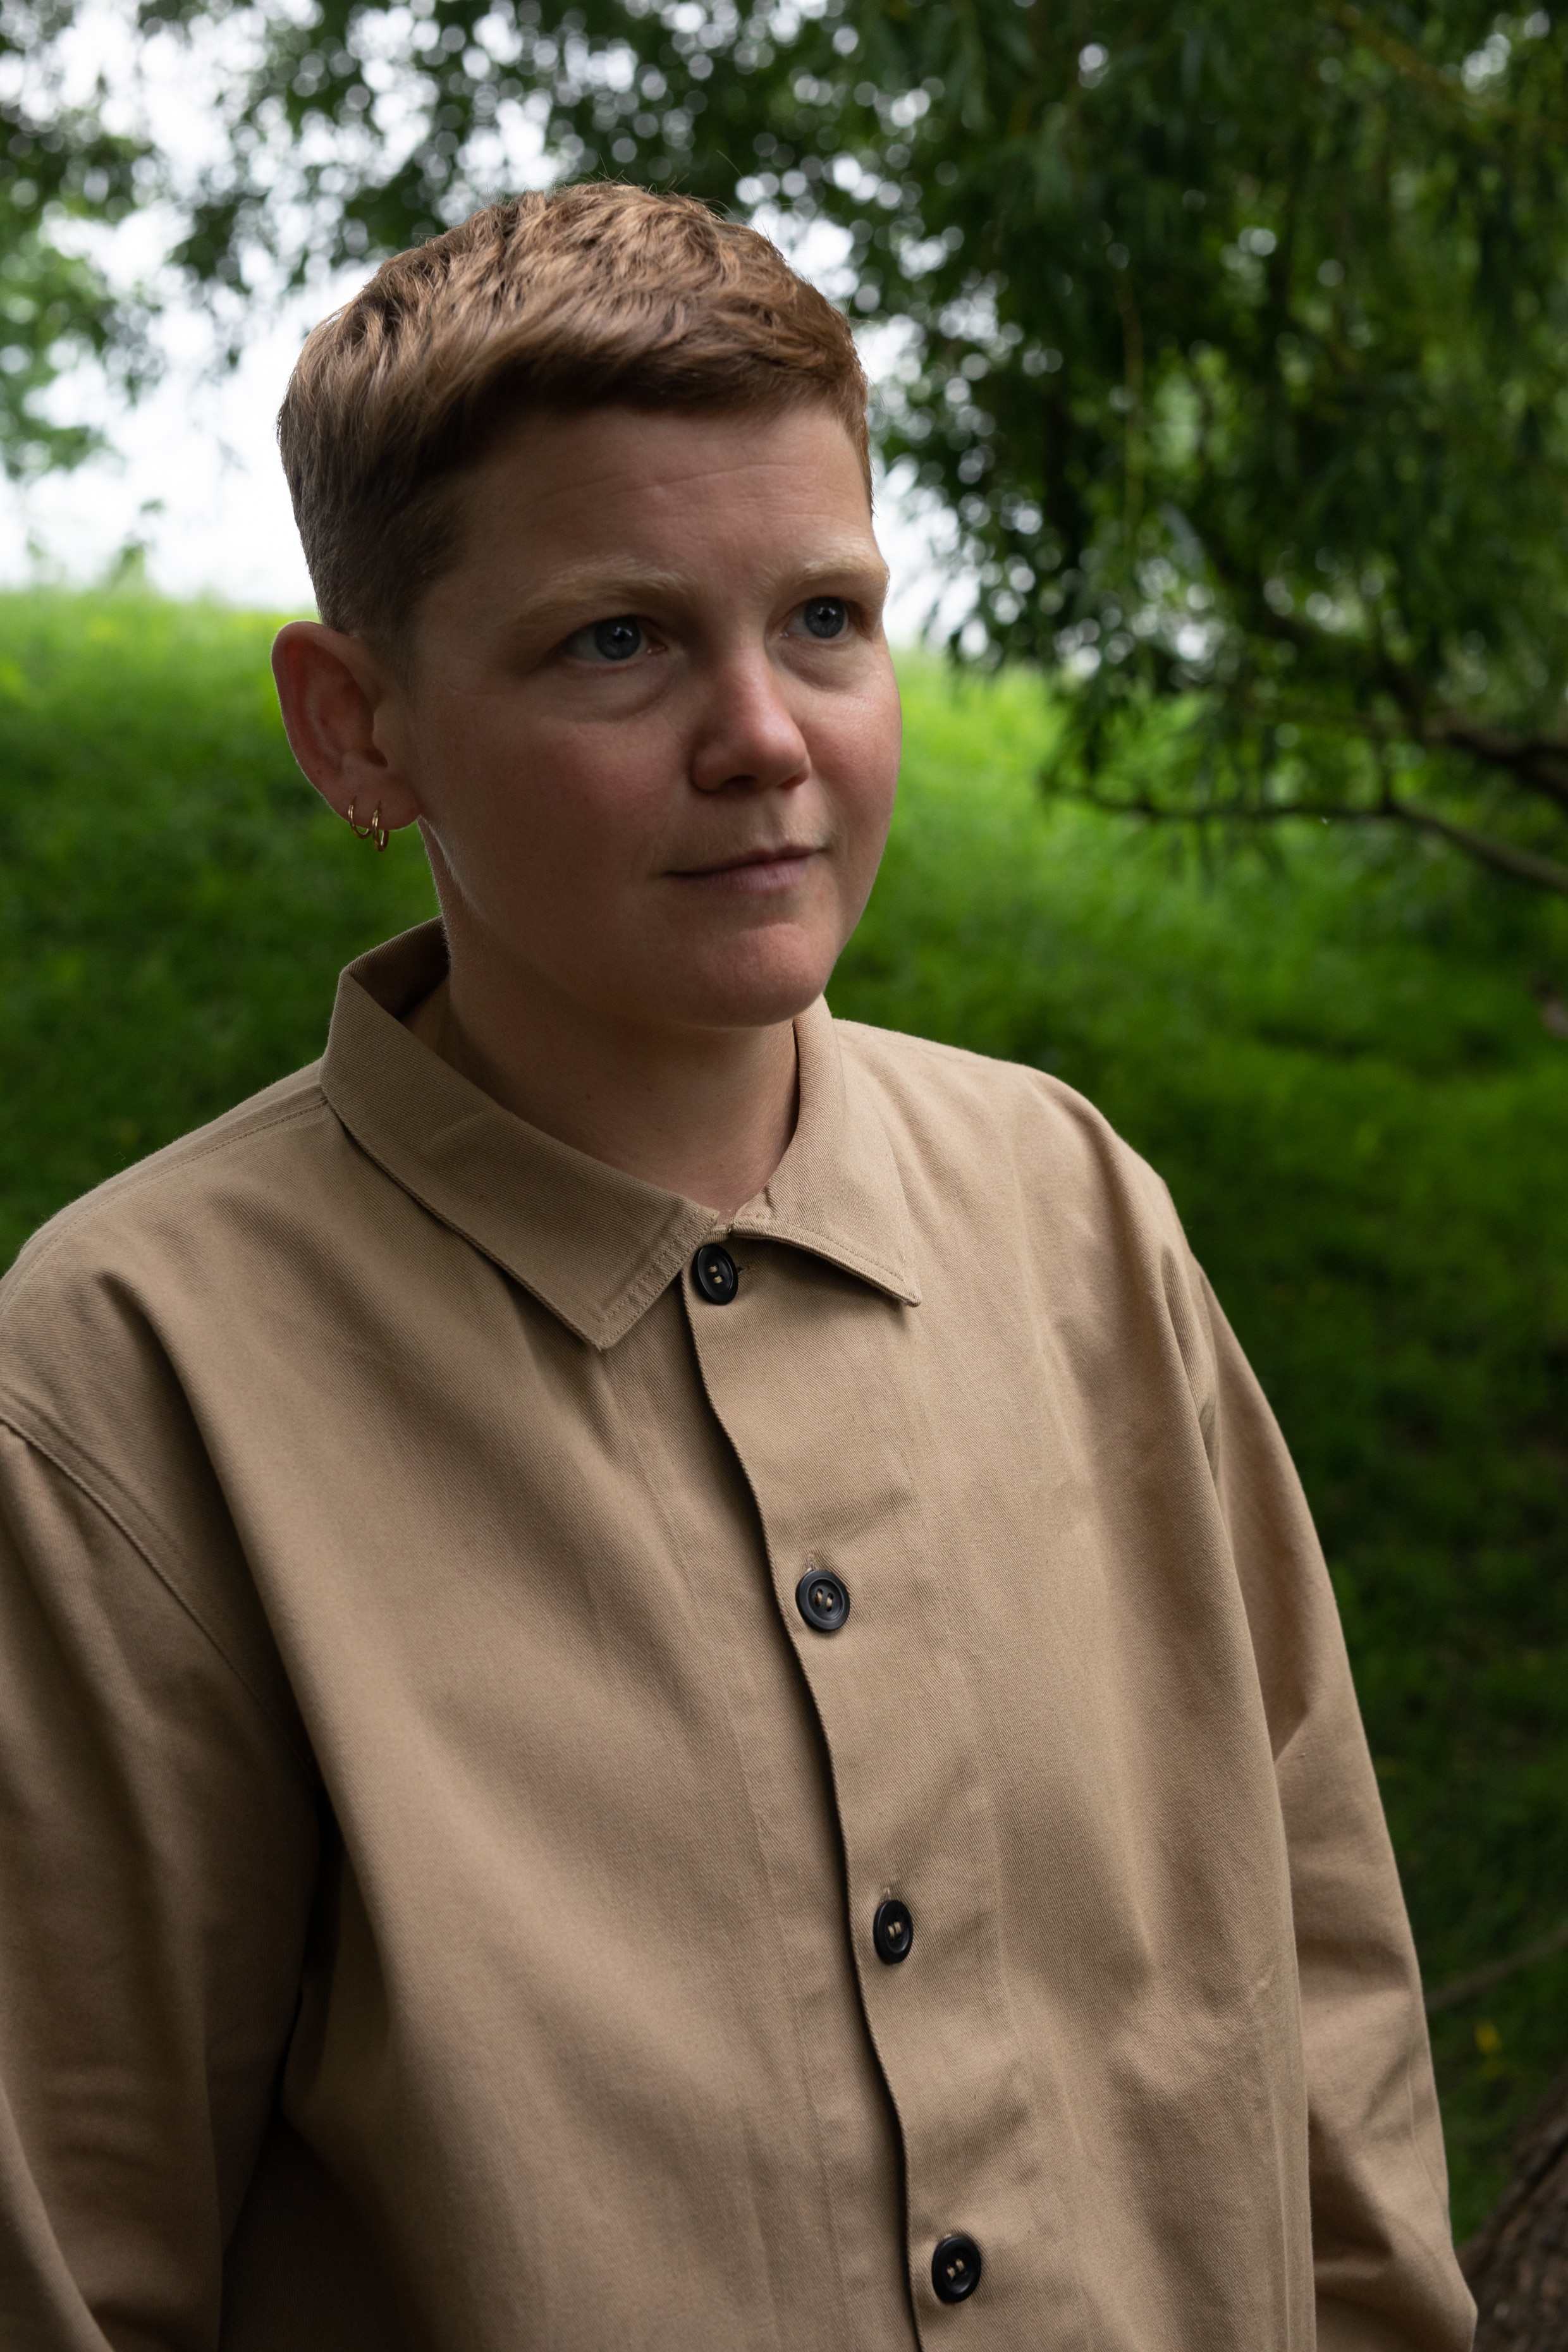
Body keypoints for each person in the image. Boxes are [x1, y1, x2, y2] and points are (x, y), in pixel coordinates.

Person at [0, 183, 1474, 2352]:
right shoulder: (125, 1389)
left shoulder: (1078, 1214)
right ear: (358, 729)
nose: (763, 737)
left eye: (824, 620)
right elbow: (71, 2261)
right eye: (617, 640)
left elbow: (1327, 2015)